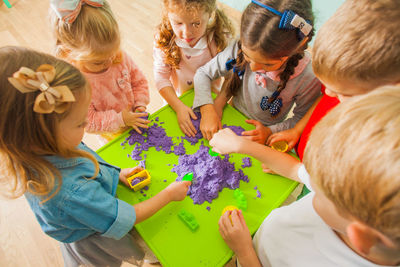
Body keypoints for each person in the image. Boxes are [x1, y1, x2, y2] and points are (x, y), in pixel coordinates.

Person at [0, 46, 191, 266]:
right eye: (81, 123)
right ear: (42, 136)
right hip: (94, 240)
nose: (86, 127)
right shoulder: (70, 192)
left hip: (87, 207)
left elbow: (86, 159)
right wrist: (168, 194)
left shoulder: (43, 147)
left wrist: (117, 174)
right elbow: (128, 217)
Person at [210, 86, 400, 266]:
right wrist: (242, 146)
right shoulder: (352, 195)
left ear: (360, 236)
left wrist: (244, 252)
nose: (311, 183)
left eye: (316, 189)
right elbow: (295, 169)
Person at [266, 0, 400, 161]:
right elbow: (325, 97)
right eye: (327, 86)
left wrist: (295, 169)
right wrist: (297, 130)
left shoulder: (381, 136)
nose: (328, 92)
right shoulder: (347, 84)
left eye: (341, 93)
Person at [193, 0, 321, 141]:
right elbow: (203, 73)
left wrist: (269, 131)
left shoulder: (307, 77)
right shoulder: (242, 45)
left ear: (295, 50)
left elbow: (302, 118)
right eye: (247, 56)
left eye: (266, 64)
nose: (253, 68)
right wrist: (207, 109)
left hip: (262, 135)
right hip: (230, 114)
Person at [50, 0, 150, 141]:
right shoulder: (76, 85)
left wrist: (140, 104)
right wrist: (121, 119)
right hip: (111, 136)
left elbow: (138, 81)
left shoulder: (118, 56)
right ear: (69, 53)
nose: (109, 62)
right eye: (98, 62)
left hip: (137, 119)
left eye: (112, 54)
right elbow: (88, 122)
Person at [153, 0, 234, 137]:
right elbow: (161, 77)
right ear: (168, 15)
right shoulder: (164, 38)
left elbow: (231, 76)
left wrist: (218, 105)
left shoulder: (221, 38)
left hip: (211, 101)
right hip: (177, 101)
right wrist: (178, 107)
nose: (186, 33)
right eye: (178, 23)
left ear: (209, 14)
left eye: (196, 23)